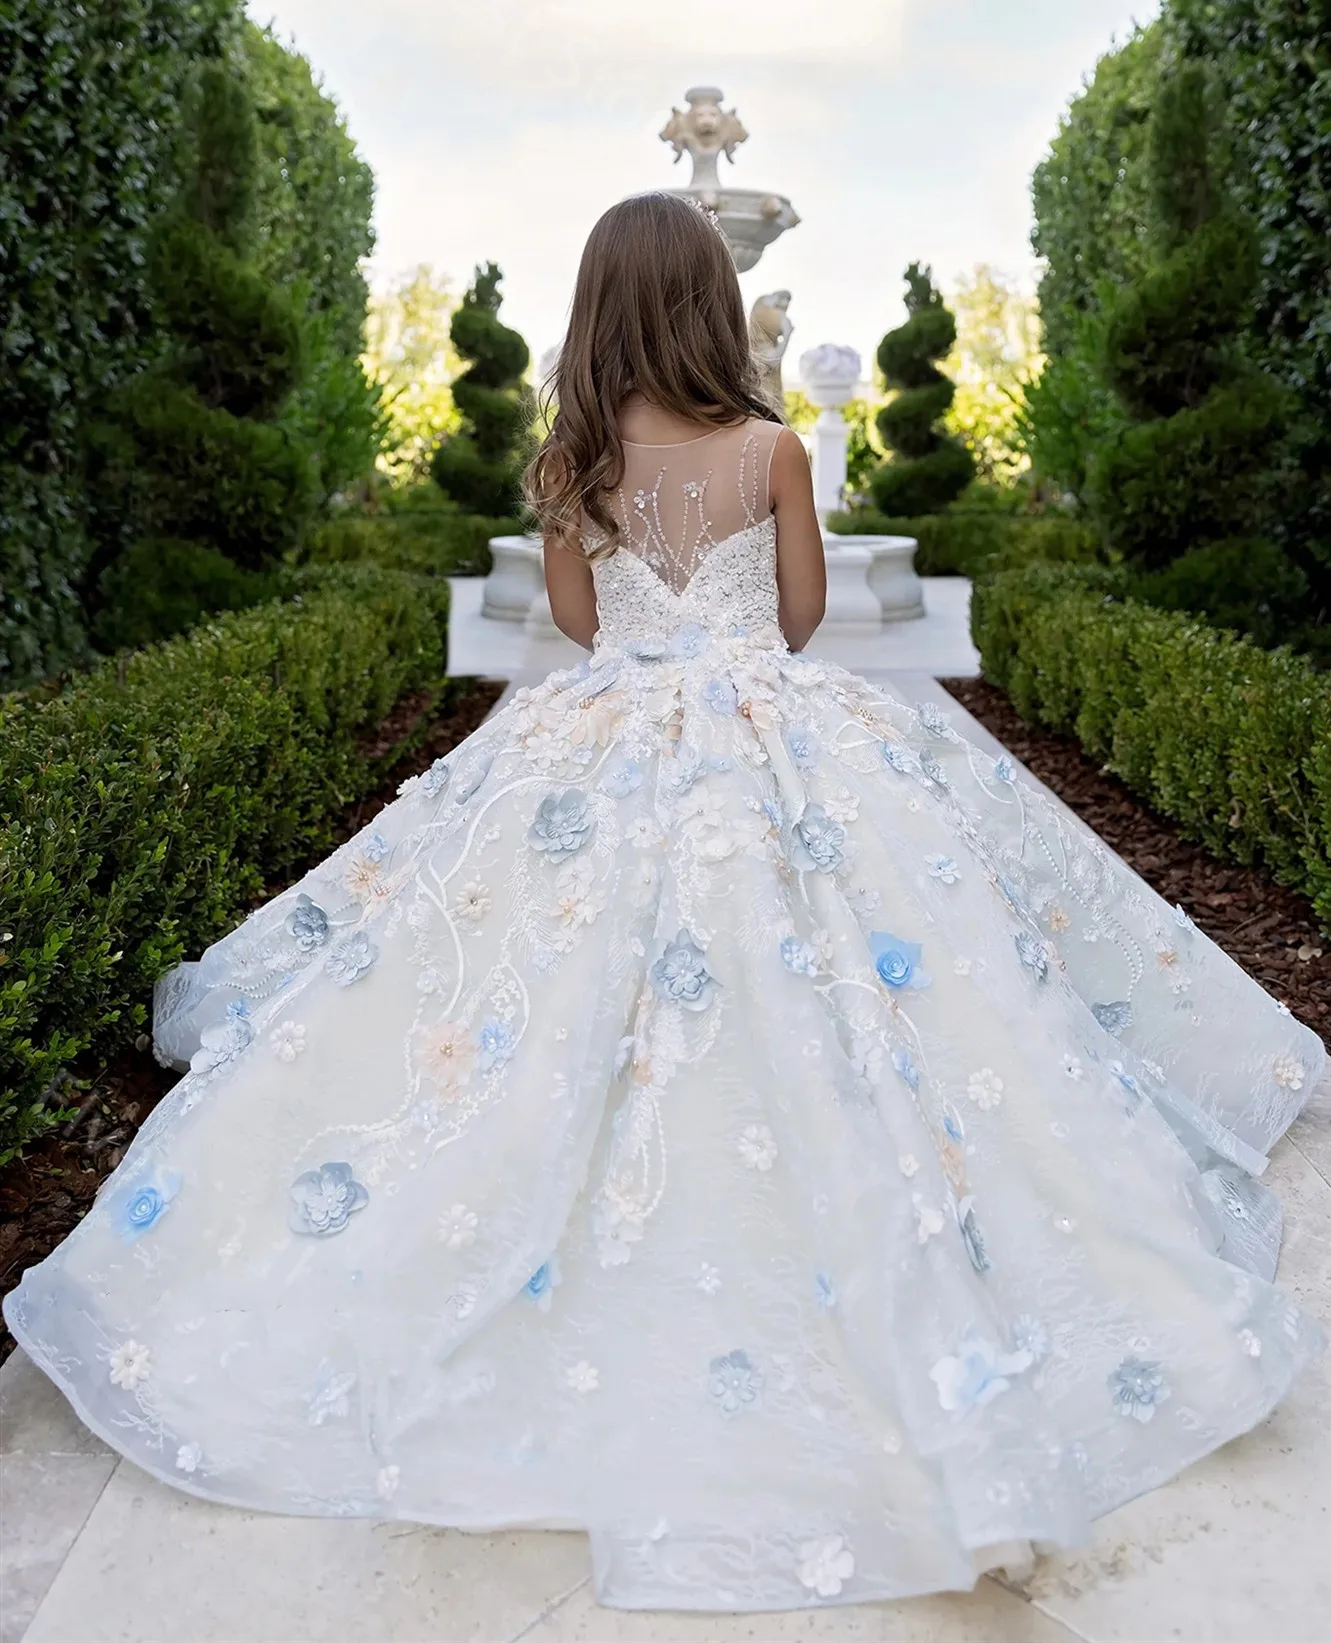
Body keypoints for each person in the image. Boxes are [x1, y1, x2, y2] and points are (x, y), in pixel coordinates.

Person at [5, 191, 1323, 1614]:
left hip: (604, 734)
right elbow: (803, 619)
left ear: (596, 311)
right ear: (711, 304)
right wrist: (733, 618)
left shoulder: (564, 461)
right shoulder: (775, 447)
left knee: (508, 984)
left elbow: (578, 629)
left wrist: (646, 608)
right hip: (774, 730)